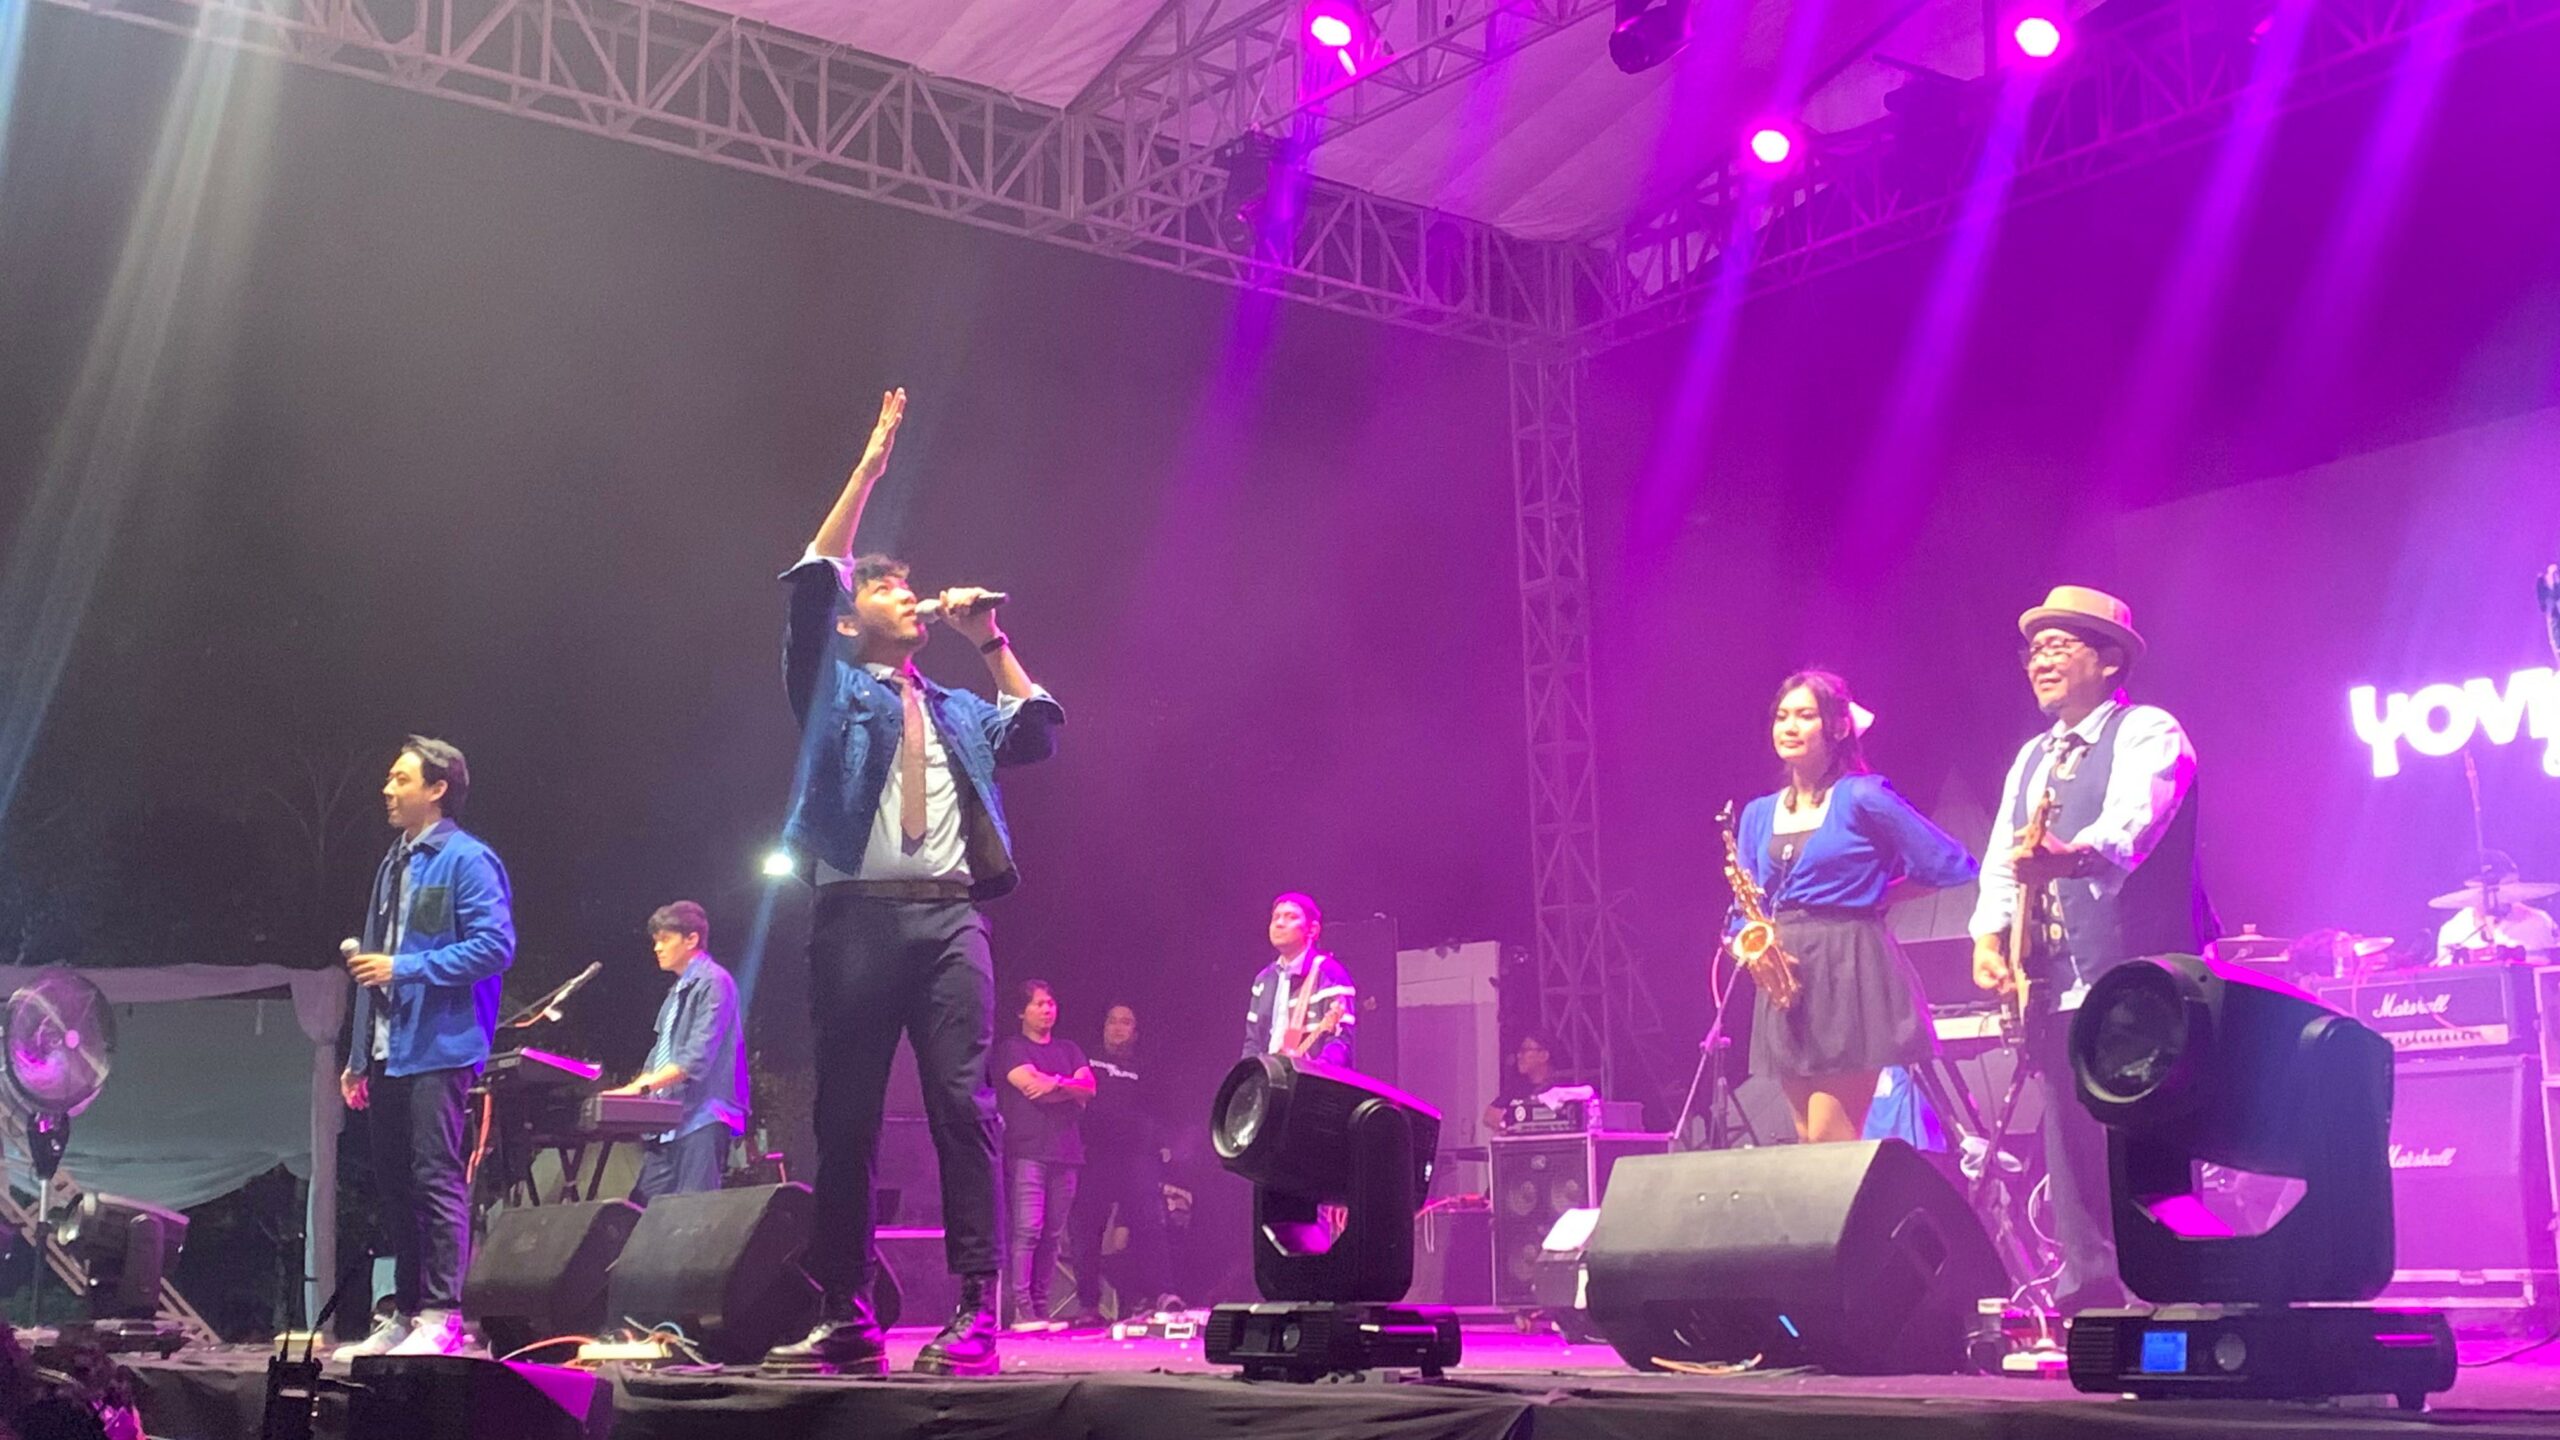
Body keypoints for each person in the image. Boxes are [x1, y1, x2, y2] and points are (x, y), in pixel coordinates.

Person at [763, 388, 1065, 1378]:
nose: (912, 597)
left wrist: (990, 638)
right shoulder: (833, 690)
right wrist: (869, 470)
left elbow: (1039, 731)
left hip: (947, 924)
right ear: (855, 622)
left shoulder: (960, 707)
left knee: (963, 1107)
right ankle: (847, 1314)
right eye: (890, 590)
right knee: (844, 1118)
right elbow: (813, 584)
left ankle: (977, 1312)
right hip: (852, 923)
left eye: (912, 588)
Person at [1969, 586, 2217, 1313]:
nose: (2040, 661)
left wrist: (2071, 856)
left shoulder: (2149, 732)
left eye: (2059, 646)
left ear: (2109, 661)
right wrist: (1989, 936)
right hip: (2056, 984)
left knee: (2143, 1142)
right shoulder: (2031, 758)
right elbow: (2003, 858)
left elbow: (2134, 824)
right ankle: (2091, 1304)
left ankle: (2168, 1296)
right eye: (2035, 650)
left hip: (2138, 978)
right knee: (2071, 1150)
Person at [1732, 671, 1977, 1144]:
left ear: (1839, 727)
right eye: (1782, 716)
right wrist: (1743, 940)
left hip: (1848, 965)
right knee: (1808, 1140)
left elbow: (1948, 864)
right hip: (1786, 971)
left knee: (1831, 1140)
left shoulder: (1864, 796)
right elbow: (1747, 896)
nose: (1789, 726)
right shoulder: (1759, 813)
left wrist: (1876, 895)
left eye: (1805, 715)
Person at [336, 737, 516, 1360]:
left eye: (400, 779)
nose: (387, 789)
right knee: (393, 1183)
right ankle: (407, 1311)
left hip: (440, 1044)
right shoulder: (393, 863)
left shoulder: (468, 860)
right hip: (389, 1049)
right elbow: (372, 963)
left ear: (437, 789)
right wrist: (358, 1056)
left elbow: (495, 947)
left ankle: (443, 1313)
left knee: (433, 1175)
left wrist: (406, 968)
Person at [605, 902, 749, 1202]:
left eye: (665, 939)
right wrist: (631, 1095)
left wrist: (640, 1088)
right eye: (655, 941)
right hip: (669, 1120)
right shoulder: (676, 992)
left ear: (691, 939)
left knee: (692, 1212)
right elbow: (660, 1053)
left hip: (703, 1115)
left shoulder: (714, 982)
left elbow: (695, 1057)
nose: (657, 948)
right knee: (641, 1212)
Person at [1066, 1002, 1175, 1325]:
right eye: (1112, 1021)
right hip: (1094, 1156)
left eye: (1125, 1022)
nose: (1117, 1027)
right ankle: (1088, 1304)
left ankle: (1161, 1294)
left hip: (1136, 1158)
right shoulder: (1087, 1060)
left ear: (1135, 1032)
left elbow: (1160, 1110)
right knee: (1086, 1230)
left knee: (1148, 1226)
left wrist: (1159, 1145)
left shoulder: (1146, 1068)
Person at [994, 980, 1093, 1330]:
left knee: (1052, 1235)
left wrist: (1055, 1083)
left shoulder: (1069, 1049)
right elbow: (1031, 1087)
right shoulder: (1012, 1048)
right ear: (1021, 1012)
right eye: (1038, 1004)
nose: (1047, 1009)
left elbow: (1088, 1087)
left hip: (1066, 1152)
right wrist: (1066, 1086)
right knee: (1028, 1230)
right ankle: (1021, 1308)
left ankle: (1040, 1306)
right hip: (1028, 1151)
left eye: (1050, 1003)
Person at [1241, 893, 1356, 1067]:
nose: (1279, 923)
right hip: (1269, 1076)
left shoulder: (1330, 974)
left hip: (1311, 1079)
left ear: (1312, 929)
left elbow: (1340, 1041)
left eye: (1291, 917)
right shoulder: (1263, 979)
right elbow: (1253, 1043)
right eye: (1275, 917)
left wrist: (1317, 1069)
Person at [2432, 851, 2559, 964]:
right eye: (2485, 892)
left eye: (2499, 891)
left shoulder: (2539, 921)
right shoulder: (2453, 931)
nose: (2493, 898)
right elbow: (2446, 980)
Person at [1483, 1032, 1560, 1132]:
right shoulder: (1517, 1089)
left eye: (1525, 1050)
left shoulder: (1560, 1089)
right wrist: (1508, 1128)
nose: (1519, 1055)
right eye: (1520, 1051)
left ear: (1544, 1056)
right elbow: (1489, 1116)